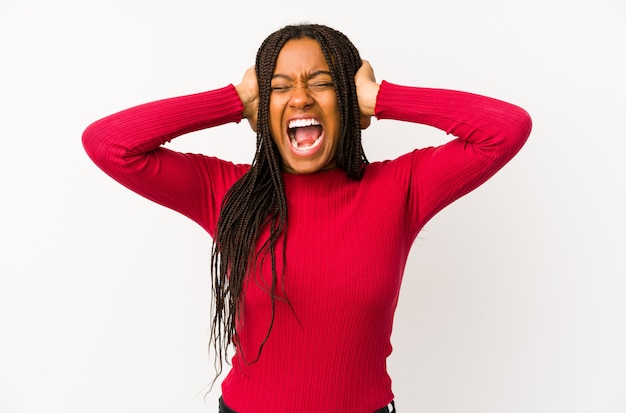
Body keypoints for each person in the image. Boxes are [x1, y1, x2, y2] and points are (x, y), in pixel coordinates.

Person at [82, 23, 532, 413]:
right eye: (279, 87)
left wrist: (380, 98)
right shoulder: (227, 193)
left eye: (321, 83)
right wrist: (234, 100)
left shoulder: (401, 188)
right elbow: (109, 144)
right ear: (263, 108)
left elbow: (505, 129)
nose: (299, 97)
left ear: (350, 102)